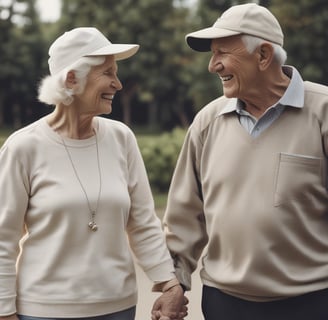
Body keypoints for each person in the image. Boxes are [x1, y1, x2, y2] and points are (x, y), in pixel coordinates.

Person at [0, 27, 186, 320]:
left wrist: (168, 282)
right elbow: (3, 239)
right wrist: (4, 311)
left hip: (118, 307)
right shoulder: (23, 147)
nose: (119, 83)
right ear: (72, 79)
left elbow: (143, 222)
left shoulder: (121, 138)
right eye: (108, 73)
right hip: (43, 311)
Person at [156, 3, 328, 320]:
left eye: (222, 52)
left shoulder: (323, 113)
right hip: (225, 303)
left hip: (312, 302)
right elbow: (184, 216)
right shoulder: (207, 122)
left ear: (263, 55)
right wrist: (174, 284)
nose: (213, 65)